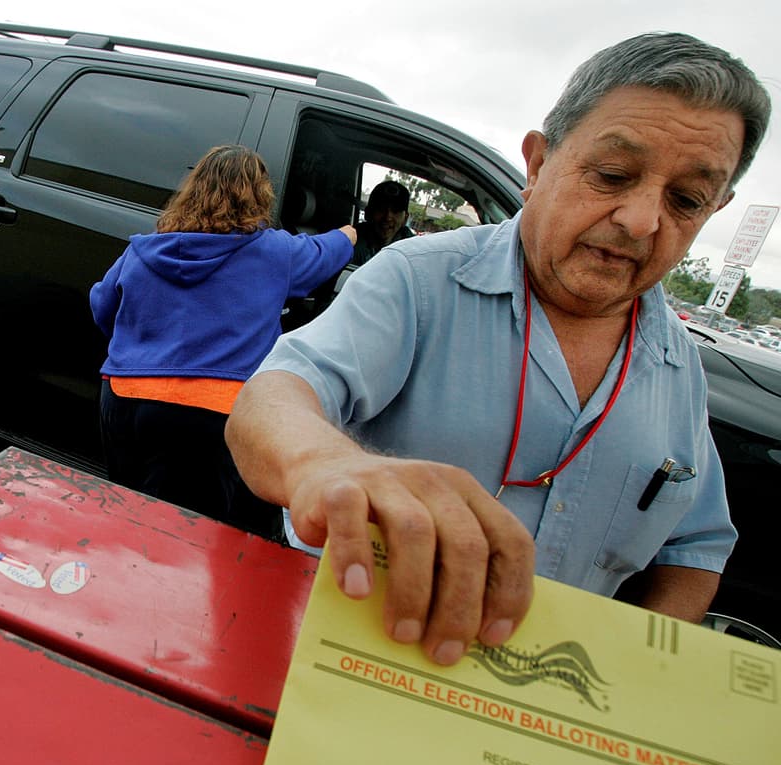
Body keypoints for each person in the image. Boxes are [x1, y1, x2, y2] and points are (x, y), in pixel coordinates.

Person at [225, 32, 770, 665]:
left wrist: (634, 674)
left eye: (686, 200)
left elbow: (695, 548)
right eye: (613, 176)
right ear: (537, 164)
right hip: (354, 668)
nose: (642, 219)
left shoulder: (679, 364)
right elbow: (273, 399)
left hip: (545, 706)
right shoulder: (419, 280)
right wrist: (323, 464)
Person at [90, 144, 356, 536]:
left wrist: (145, 344)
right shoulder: (275, 252)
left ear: (193, 189)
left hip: (126, 399)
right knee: (194, 538)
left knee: (131, 519)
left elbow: (102, 307)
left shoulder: (144, 249)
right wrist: (350, 233)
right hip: (213, 413)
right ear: (260, 195)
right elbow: (327, 252)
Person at [351, 180, 415, 266]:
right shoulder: (350, 243)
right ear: (368, 213)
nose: (388, 217)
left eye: (396, 211)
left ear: (405, 219)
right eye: (381, 209)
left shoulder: (413, 252)